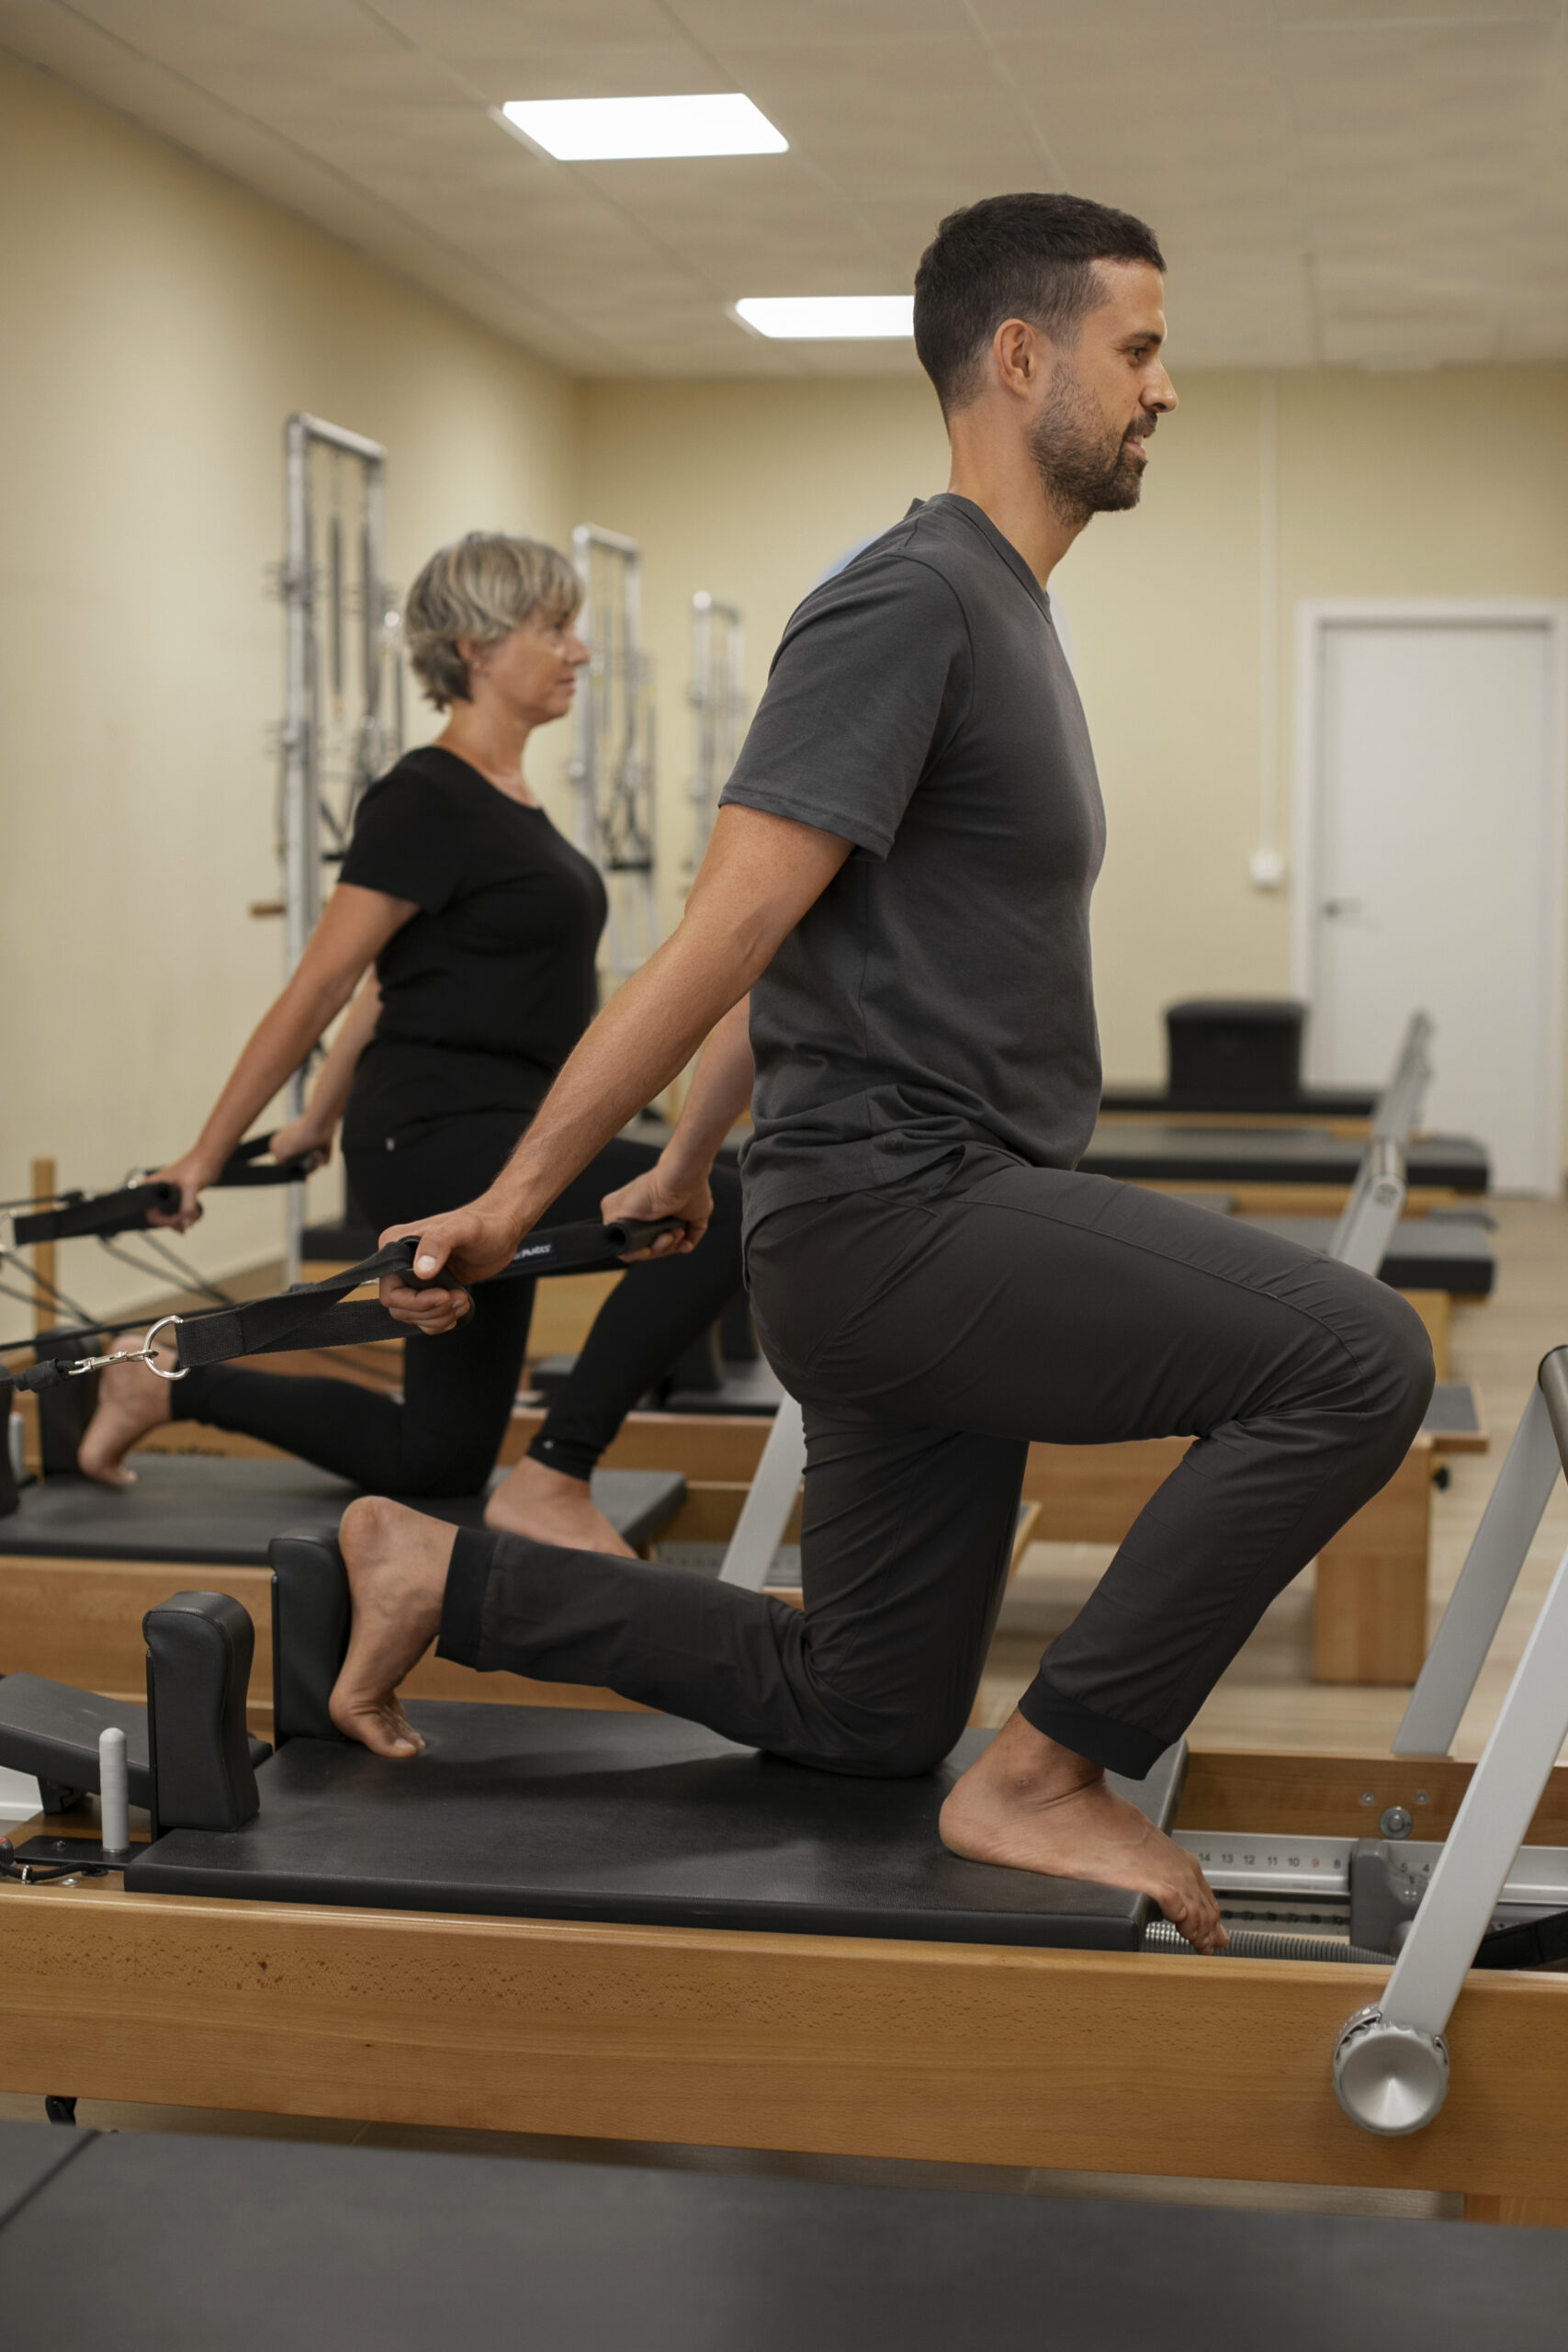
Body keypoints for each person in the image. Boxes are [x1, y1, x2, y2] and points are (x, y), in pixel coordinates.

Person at [318, 194, 1433, 1952]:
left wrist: (690, 1168)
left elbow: (804, 937)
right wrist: (513, 1201)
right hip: (909, 1215)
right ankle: (1049, 1775)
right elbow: (720, 930)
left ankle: (446, 1574)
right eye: (1135, 347)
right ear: (1020, 355)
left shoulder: (1000, 609)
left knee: (869, 1707)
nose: (1162, 388)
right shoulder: (909, 601)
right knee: (1353, 1360)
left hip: (892, 1220)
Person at [78, 532, 745, 1556]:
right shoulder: (423, 796)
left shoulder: (510, 802)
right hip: (444, 1137)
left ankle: (169, 1379)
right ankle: (560, 1472)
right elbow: (323, 984)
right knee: (723, 1200)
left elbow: (397, 988)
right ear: (475, 647)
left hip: (496, 1134)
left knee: (434, 1461)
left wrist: (316, 1117)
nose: (581, 651)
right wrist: (208, 1155)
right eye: (554, 629)